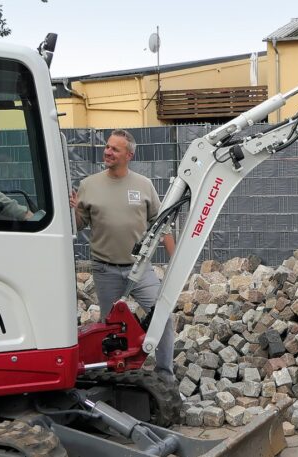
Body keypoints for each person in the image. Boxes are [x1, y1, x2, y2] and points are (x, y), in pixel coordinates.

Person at [70, 129, 177, 384]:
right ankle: (114, 374)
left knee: (162, 316)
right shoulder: (89, 185)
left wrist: (176, 260)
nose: (107, 152)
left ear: (129, 155)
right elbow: (79, 224)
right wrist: (72, 210)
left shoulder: (143, 185)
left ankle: (165, 372)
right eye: (107, 147)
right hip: (105, 269)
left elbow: (161, 224)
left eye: (114, 149)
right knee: (109, 327)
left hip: (140, 269)